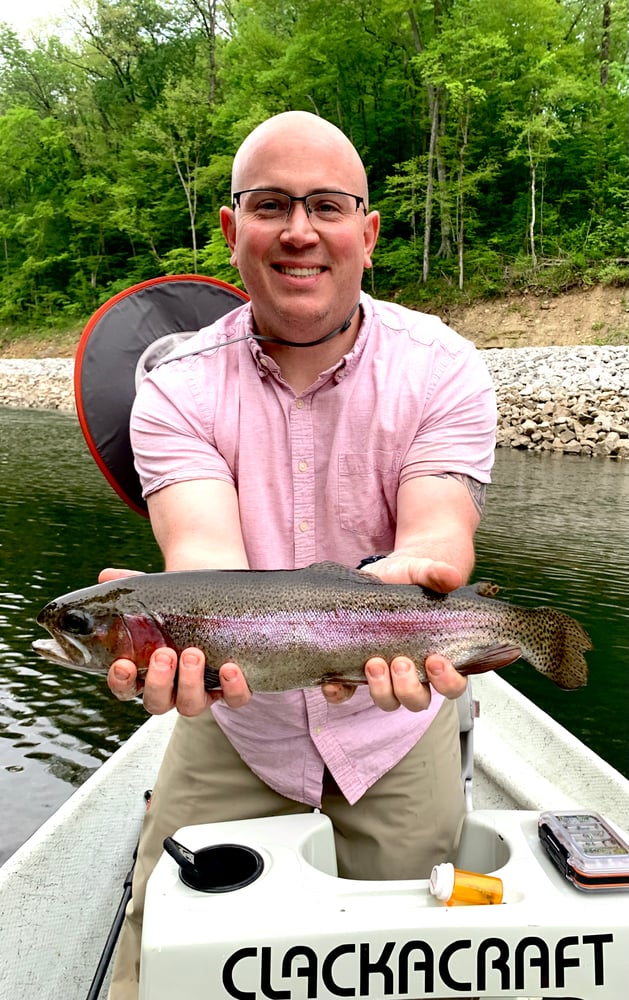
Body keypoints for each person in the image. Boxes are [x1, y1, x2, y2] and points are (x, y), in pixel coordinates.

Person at [103, 110, 496, 999]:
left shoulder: (444, 368)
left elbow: (437, 530)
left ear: (368, 232)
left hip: (395, 721)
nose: (298, 230)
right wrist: (166, 629)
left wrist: (421, 572)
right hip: (236, 723)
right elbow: (205, 556)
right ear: (230, 230)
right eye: (269, 204)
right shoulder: (173, 390)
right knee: (166, 943)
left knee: (410, 958)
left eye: (325, 205)